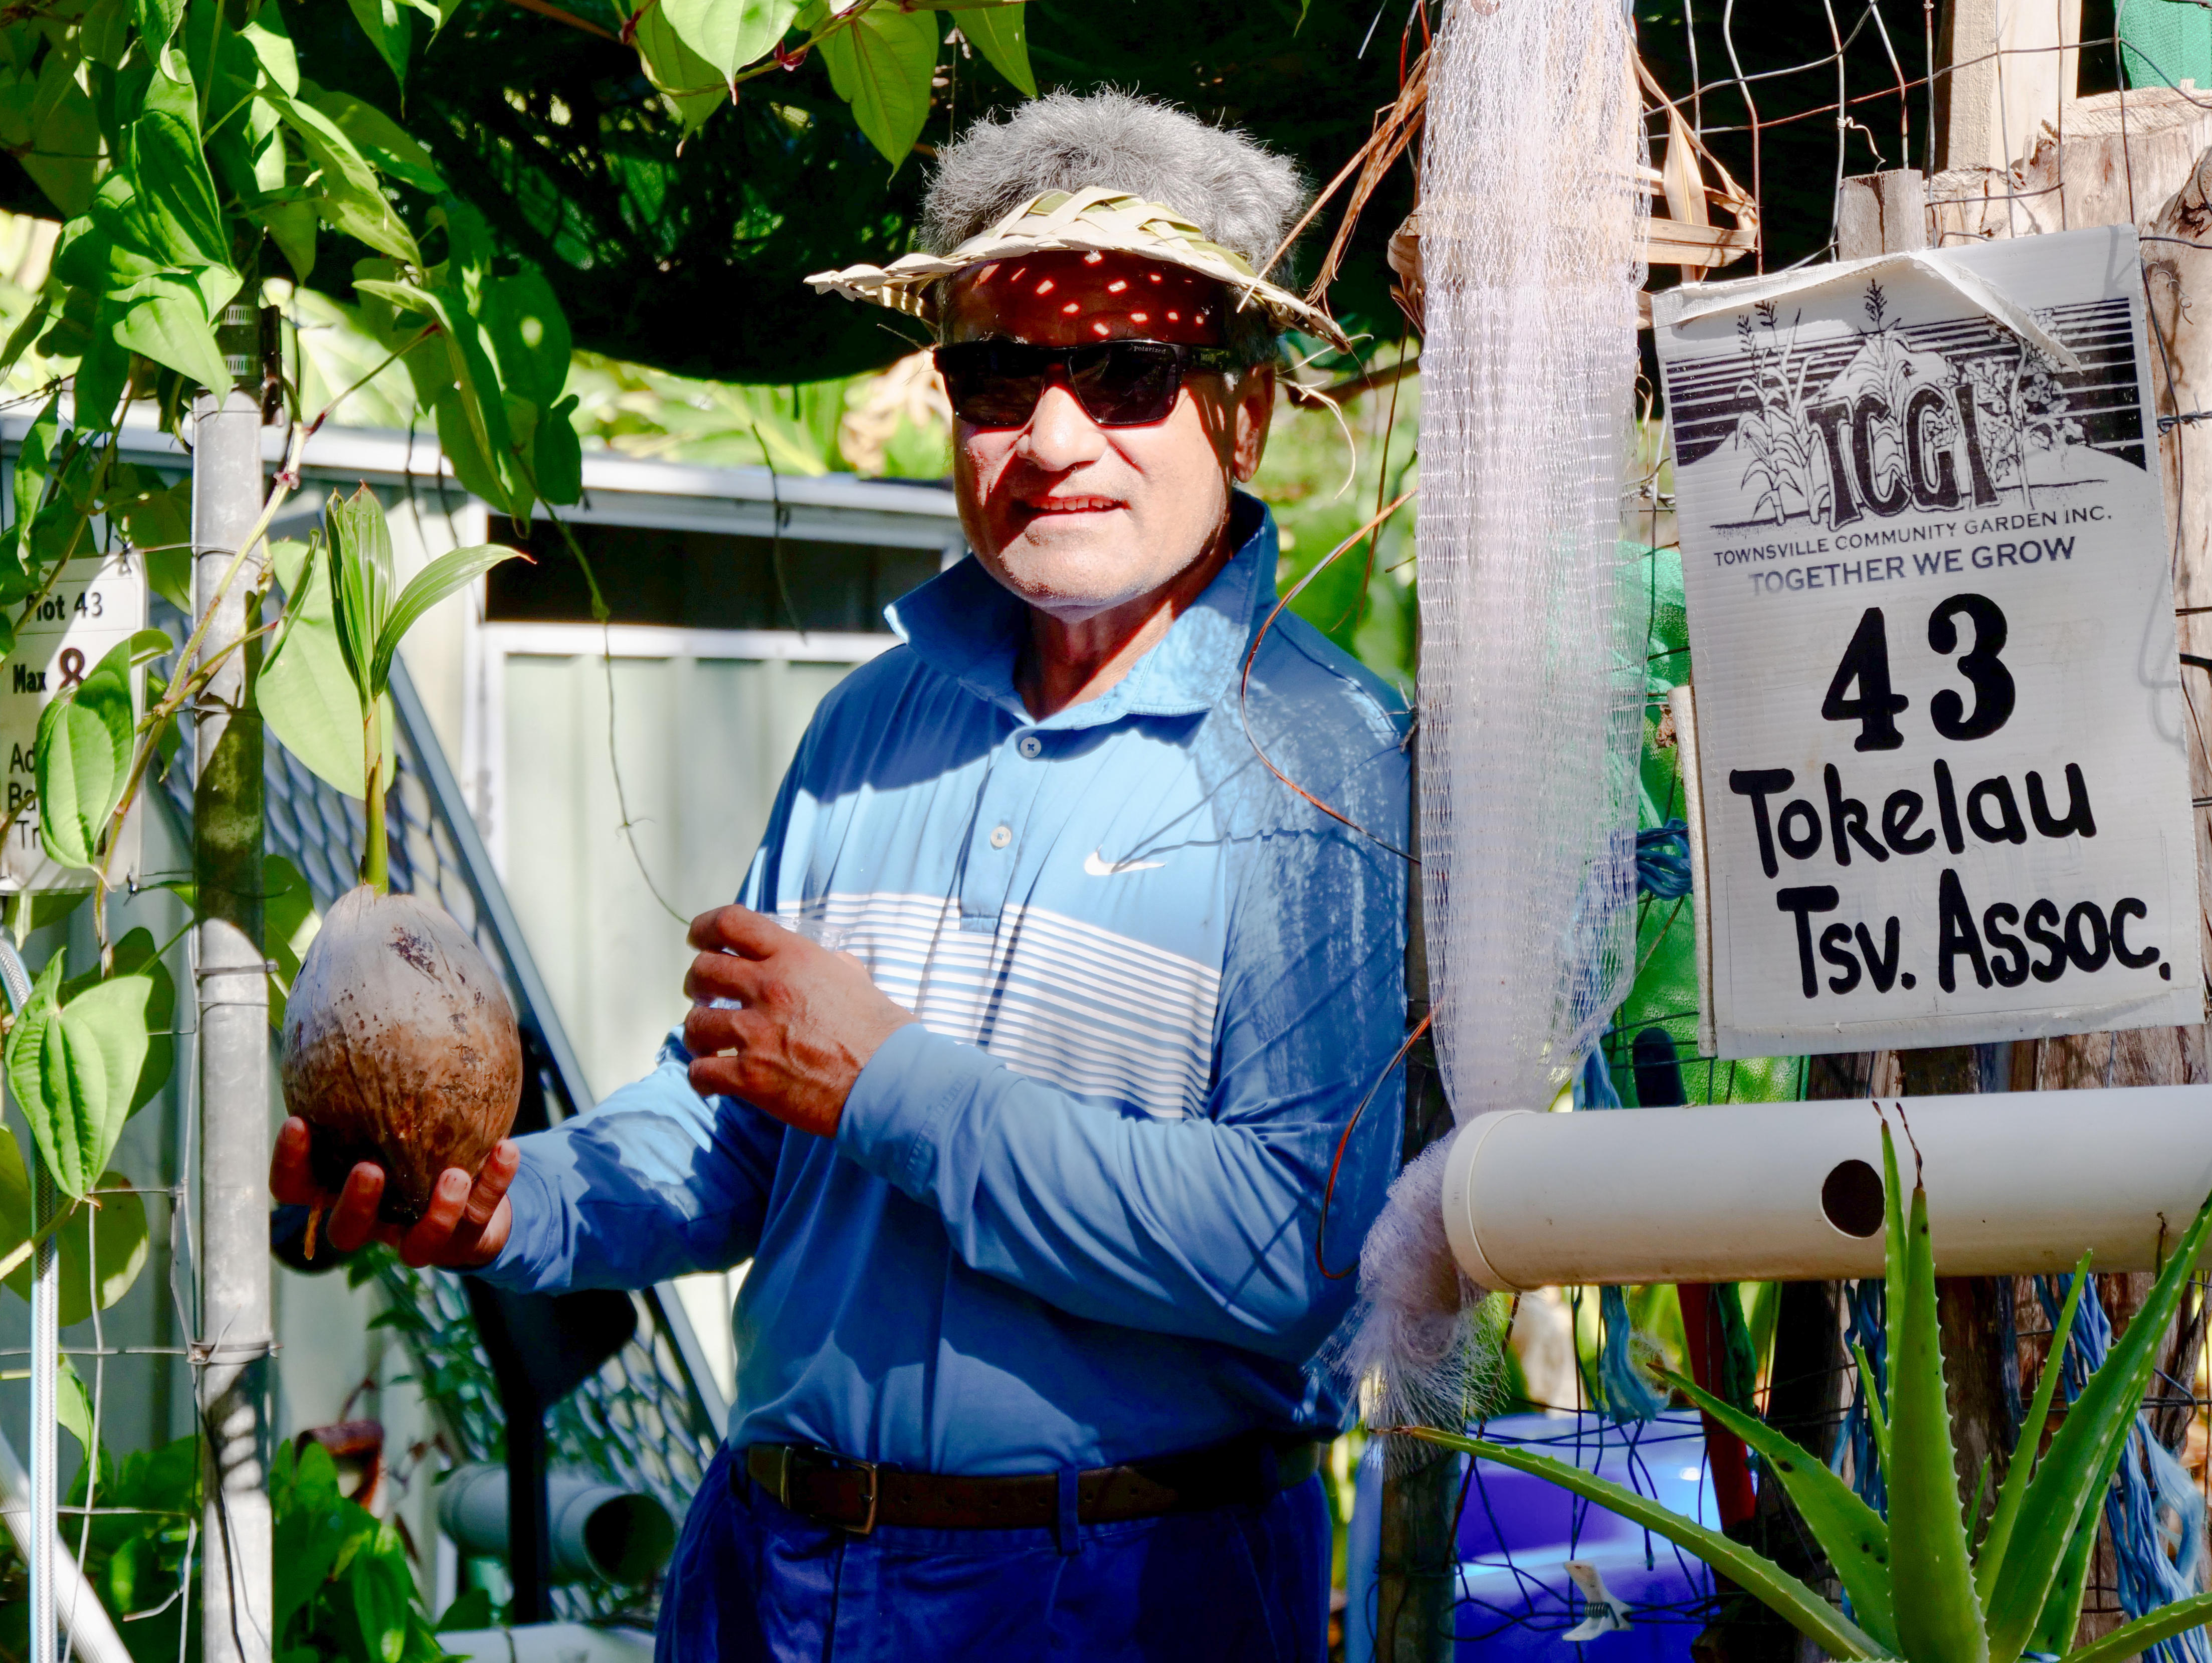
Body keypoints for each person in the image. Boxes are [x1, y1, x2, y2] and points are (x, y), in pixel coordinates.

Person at [271, 90, 1410, 1661]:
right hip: (772, 1570)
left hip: (1124, 1593)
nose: (1054, 437)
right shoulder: (873, 726)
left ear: (1246, 410)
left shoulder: (1328, 764)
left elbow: (1300, 1255)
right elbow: (735, 1136)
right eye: (1000, 372)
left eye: (1130, 374)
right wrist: (504, 1206)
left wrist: (888, 1086)